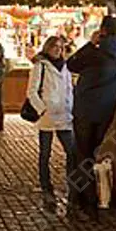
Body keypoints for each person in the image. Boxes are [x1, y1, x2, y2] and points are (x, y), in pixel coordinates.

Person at [66, 15, 116, 218]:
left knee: (82, 154)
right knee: (92, 153)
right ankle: (86, 198)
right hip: (107, 112)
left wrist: (90, 43)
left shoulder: (94, 53)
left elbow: (71, 64)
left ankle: (84, 201)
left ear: (102, 30)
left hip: (85, 110)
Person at [26, 36, 75, 213]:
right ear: (48, 47)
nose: (57, 50)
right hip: (47, 116)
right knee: (45, 153)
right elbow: (32, 91)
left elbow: (70, 89)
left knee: (72, 151)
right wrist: (42, 109)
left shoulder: (66, 66)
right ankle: (46, 187)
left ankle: (72, 185)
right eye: (54, 46)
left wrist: (71, 106)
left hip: (64, 114)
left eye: (60, 47)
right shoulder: (41, 65)